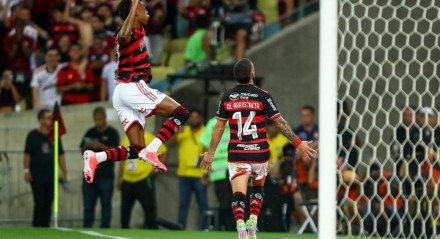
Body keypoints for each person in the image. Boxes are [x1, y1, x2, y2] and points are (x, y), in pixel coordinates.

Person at [200, 58, 316, 239]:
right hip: (259, 152)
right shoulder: (263, 95)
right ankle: (253, 218)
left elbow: (219, 127)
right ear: (252, 74)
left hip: (238, 152)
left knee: (238, 192)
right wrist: (299, 143)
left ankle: (240, 224)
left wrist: (210, 153)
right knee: (257, 188)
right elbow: (279, 122)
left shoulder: (227, 97)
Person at [83, 0, 190, 184]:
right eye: (143, 8)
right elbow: (123, 38)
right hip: (132, 86)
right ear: (134, 12)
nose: (147, 11)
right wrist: (133, 5)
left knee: (137, 148)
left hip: (122, 93)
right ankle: (153, 149)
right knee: (181, 113)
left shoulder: (137, 32)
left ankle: (96, 157)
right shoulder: (127, 32)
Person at [23, 109, 67, 227]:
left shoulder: (55, 135)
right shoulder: (32, 135)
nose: (51, 120)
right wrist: (26, 170)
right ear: (41, 120)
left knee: (48, 203)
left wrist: (64, 171)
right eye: (48, 118)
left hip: (52, 176)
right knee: (39, 202)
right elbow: (27, 154)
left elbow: (60, 155)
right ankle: (36, 226)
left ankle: (45, 227)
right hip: (36, 176)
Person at [117, 132, 169, 229]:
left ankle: (151, 229)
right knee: (125, 208)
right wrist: (119, 178)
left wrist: (156, 169)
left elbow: (165, 152)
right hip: (127, 179)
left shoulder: (150, 138)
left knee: (149, 207)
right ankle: (124, 230)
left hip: (144, 178)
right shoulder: (125, 139)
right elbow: (122, 159)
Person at [80, 107, 120, 228]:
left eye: (100, 119)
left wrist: (101, 146)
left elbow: (116, 153)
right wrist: (87, 146)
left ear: (104, 118)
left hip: (106, 175)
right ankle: (87, 229)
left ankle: (105, 229)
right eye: (96, 120)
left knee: (106, 204)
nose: (98, 122)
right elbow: (81, 150)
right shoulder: (90, 132)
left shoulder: (113, 133)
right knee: (88, 206)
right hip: (90, 174)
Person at [173, 110, 208, 229]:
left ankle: (205, 229)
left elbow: (208, 153)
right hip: (184, 173)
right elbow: (172, 143)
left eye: (196, 117)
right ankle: (180, 227)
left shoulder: (206, 131)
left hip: (199, 174)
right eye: (192, 117)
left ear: (201, 119)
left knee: (203, 204)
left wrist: (206, 174)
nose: (194, 120)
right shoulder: (184, 130)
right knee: (183, 203)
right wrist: (176, 133)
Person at [199, 117, 234, 231]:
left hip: (227, 169)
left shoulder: (213, 123)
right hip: (228, 169)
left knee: (227, 201)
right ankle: (228, 228)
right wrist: (205, 171)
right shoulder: (239, 119)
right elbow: (206, 146)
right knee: (229, 201)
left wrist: (205, 171)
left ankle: (227, 227)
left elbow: (206, 146)